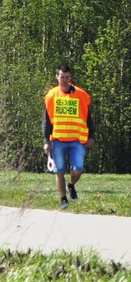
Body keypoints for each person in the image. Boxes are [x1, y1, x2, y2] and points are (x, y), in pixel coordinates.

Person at [43, 65, 95, 210]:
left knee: (78, 169)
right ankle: (63, 200)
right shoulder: (52, 96)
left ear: (70, 77)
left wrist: (91, 136)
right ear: (57, 77)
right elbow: (46, 121)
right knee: (59, 171)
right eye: (62, 77)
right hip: (58, 140)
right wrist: (46, 141)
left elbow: (88, 118)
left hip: (76, 140)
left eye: (67, 77)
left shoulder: (81, 95)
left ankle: (70, 185)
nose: (64, 80)